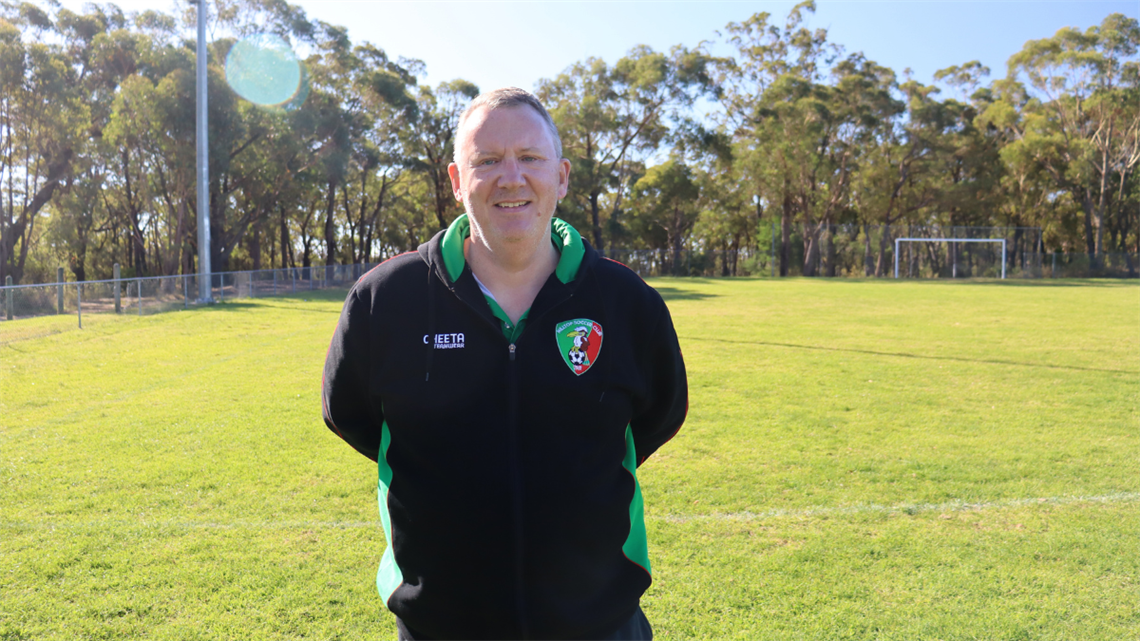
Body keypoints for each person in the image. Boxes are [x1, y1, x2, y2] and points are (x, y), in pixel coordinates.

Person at [321, 87, 687, 641]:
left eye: (530, 158)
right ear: (455, 180)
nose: (510, 177)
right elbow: (350, 414)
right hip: (440, 627)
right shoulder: (384, 301)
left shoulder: (627, 302)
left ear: (561, 176)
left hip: (601, 625)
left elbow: (657, 416)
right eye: (487, 160)